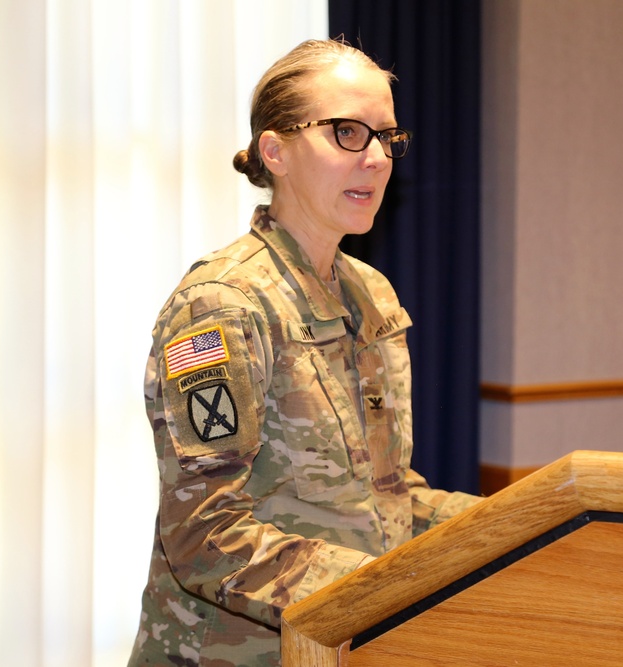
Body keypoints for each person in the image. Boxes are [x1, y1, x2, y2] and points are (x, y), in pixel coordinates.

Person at [127, 38, 481, 667]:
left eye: (386, 138)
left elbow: (386, 497)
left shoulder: (370, 294)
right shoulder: (224, 305)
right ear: (275, 150)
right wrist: (382, 587)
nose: (375, 159)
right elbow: (206, 536)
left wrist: (517, 524)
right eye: (348, 132)